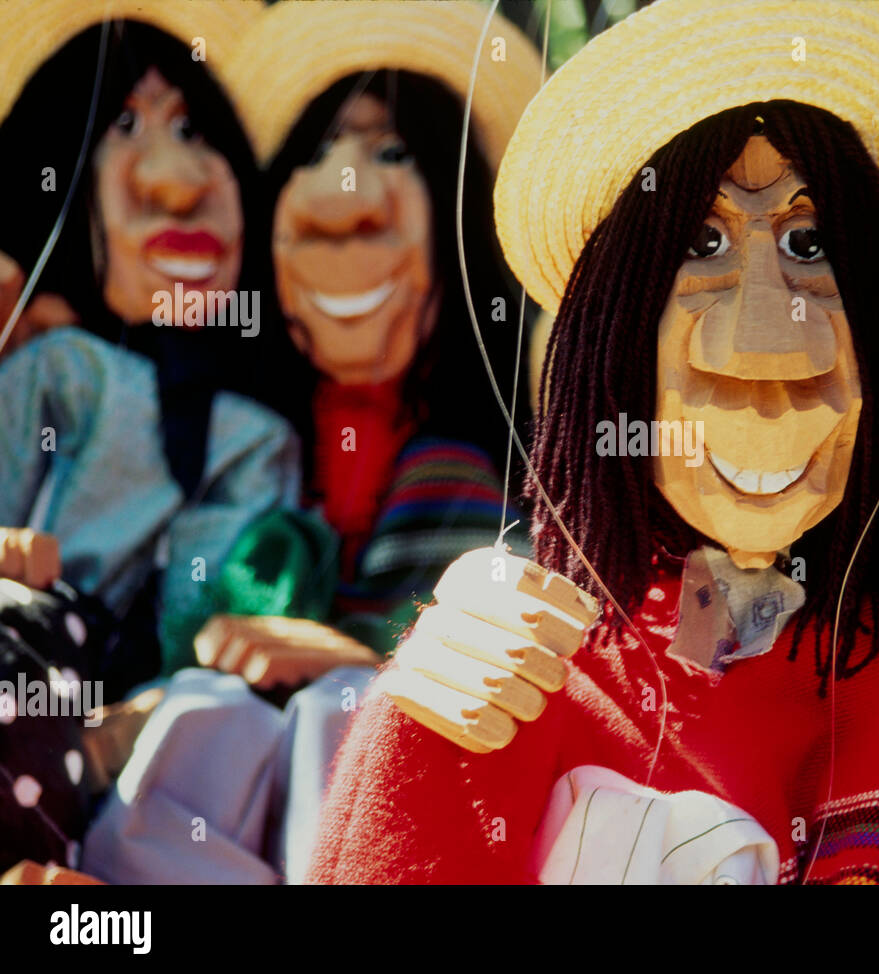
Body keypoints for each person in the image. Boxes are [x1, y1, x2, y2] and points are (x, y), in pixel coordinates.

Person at [310, 0, 879, 886]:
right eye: (703, 240)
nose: (767, 340)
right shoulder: (534, 657)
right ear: (610, 339)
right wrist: (416, 719)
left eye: (810, 243)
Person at [78, 0, 543, 885]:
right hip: (183, 797)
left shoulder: (476, 476)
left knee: (337, 709)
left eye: (392, 151)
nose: (347, 198)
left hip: (367, 795)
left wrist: (361, 654)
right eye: (317, 153)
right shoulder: (221, 433)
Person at [0, 0, 295, 874]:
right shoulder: (57, 366)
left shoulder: (255, 435)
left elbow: (213, 620)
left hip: (129, 723)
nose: (173, 175)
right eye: (126, 124)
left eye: (193, 128)